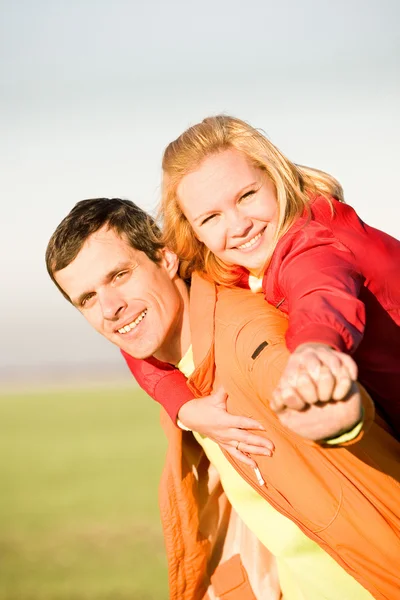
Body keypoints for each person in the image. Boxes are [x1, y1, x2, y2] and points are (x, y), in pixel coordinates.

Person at [46, 198, 400, 600]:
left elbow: (331, 406)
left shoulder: (252, 343)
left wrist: (338, 410)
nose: (110, 308)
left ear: (166, 260)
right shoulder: (175, 365)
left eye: (121, 275)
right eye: (87, 299)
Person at [130, 114, 400, 445]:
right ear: (193, 229)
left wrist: (314, 351)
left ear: (274, 176)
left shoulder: (313, 239)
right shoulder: (228, 257)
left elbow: (320, 290)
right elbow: (131, 321)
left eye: (246, 196)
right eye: (211, 217)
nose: (238, 225)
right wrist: (183, 407)